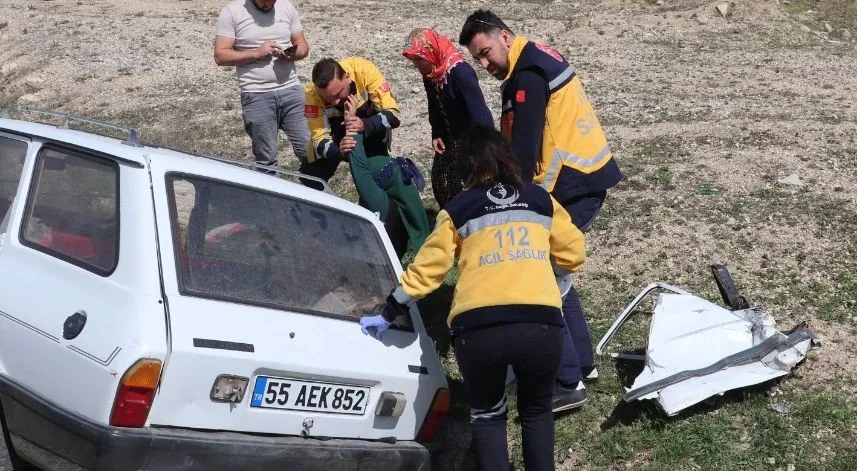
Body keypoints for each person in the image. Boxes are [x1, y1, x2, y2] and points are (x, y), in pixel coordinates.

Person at [359, 126, 585, 471]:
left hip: (478, 330)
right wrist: (545, 271)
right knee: (537, 412)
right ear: (506, 157)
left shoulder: (457, 209)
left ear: (466, 166)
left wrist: (390, 311)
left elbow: (428, 270)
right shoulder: (541, 200)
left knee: (488, 416)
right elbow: (574, 252)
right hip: (539, 324)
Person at [459, 10, 623, 412]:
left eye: (485, 52)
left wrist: (510, 202)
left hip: (572, 187)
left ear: (505, 36)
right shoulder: (529, 62)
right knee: (558, 275)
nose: (484, 64)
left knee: (541, 280)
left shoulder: (528, 76)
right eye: (477, 59)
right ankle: (582, 364)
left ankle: (567, 383)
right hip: (581, 180)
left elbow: (524, 148)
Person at [306, 58, 430, 256]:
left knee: (373, 181)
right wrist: (339, 151)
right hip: (336, 142)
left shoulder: (364, 71)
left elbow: (393, 115)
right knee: (309, 181)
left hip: (368, 133)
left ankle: (387, 227)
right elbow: (318, 139)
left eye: (337, 95)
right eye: (327, 99)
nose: (334, 102)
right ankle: (314, 233)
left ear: (347, 78)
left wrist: (365, 125)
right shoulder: (312, 93)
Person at [214, 0, 310, 174]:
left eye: (272, 2)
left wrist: (293, 54)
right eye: (264, 2)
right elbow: (220, 56)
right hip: (256, 94)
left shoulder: (287, 7)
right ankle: (271, 191)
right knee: (266, 160)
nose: (268, 6)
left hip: (291, 89)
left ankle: (310, 189)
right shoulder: (232, 12)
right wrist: (256, 53)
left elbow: (302, 44)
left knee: (309, 151)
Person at [401, 28, 494, 208]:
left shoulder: (460, 73)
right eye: (414, 61)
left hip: (470, 141)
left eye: (420, 59)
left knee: (470, 189)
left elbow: (480, 115)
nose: (417, 65)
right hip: (449, 140)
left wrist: (481, 152)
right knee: (441, 181)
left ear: (432, 51)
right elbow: (434, 104)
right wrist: (436, 132)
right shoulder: (432, 73)